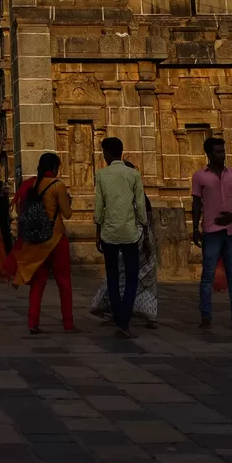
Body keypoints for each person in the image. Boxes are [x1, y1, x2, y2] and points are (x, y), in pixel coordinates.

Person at [191, 135, 232, 333]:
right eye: (218, 152)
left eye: (223, 151)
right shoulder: (200, 176)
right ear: (209, 154)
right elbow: (196, 204)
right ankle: (206, 315)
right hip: (211, 230)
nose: (222, 155)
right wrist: (194, 228)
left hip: (231, 231)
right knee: (207, 275)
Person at [9, 152, 74, 334]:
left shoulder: (33, 185)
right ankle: (68, 323)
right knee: (64, 282)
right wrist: (68, 202)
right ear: (54, 168)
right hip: (57, 237)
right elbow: (67, 213)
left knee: (38, 282)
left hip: (38, 239)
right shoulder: (57, 186)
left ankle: (33, 321)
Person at [93, 136, 147, 338]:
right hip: (130, 233)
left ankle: (119, 319)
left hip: (109, 233)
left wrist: (97, 233)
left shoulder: (101, 175)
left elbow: (99, 208)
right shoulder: (133, 174)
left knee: (113, 277)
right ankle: (124, 319)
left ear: (108, 153)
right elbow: (140, 206)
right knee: (132, 277)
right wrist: (145, 226)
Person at [91, 191, 160, 329]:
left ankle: (119, 314)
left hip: (130, 237)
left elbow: (146, 218)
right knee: (137, 278)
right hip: (134, 237)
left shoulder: (120, 196)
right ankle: (132, 314)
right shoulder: (131, 196)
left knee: (126, 277)